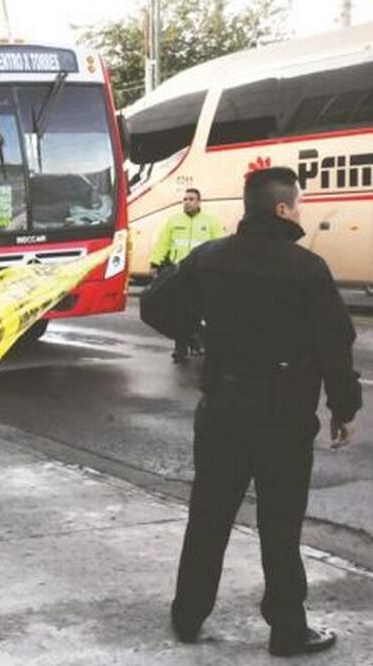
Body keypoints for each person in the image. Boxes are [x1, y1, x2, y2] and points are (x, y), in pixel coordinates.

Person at [140, 167, 361, 657]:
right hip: (284, 417)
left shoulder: (211, 257)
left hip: (222, 408)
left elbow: (154, 305)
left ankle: (188, 616)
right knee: (280, 527)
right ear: (282, 209)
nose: (300, 211)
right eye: (298, 204)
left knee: (208, 517)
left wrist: (194, 333)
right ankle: (287, 629)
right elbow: (335, 343)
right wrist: (343, 407)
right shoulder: (306, 269)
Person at [149, 188, 226, 362]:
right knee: (179, 312)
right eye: (185, 199)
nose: (187, 202)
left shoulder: (211, 222)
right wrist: (155, 263)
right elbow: (163, 243)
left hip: (201, 272)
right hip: (179, 271)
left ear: (199, 202)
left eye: (191, 199)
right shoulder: (173, 221)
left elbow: (220, 245)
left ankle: (198, 343)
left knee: (198, 311)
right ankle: (181, 349)